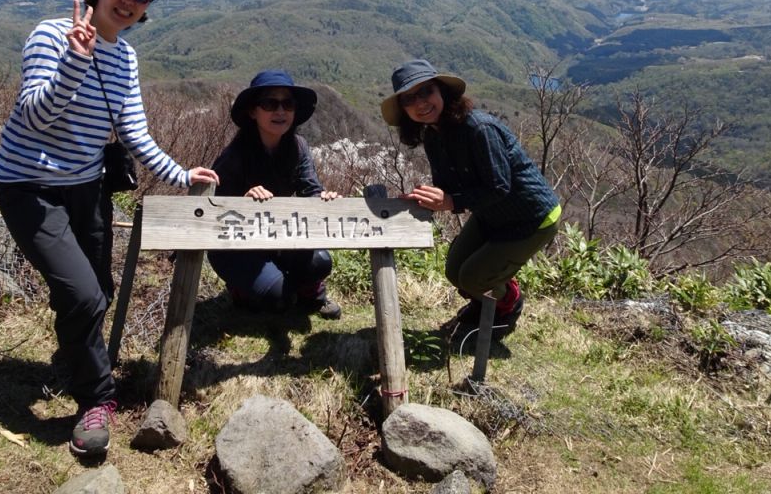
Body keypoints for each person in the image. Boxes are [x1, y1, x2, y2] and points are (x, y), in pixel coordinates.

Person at [0, 0, 219, 457]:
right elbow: (34, 117)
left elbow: (134, 132)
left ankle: (74, 355)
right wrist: (76, 60)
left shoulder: (126, 57)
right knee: (83, 295)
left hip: (86, 186)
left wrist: (181, 174)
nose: (130, 1)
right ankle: (96, 398)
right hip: (28, 186)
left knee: (98, 288)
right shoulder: (52, 35)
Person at [381, 59, 561, 338]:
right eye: (409, 98)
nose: (420, 103)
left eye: (426, 92)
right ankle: (484, 300)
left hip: (531, 216)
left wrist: (451, 202)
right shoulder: (433, 137)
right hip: (491, 213)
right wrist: (426, 198)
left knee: (474, 278)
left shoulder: (479, 129)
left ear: (442, 92)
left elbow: (499, 186)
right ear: (404, 109)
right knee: (455, 271)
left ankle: (507, 302)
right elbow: (447, 188)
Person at [207, 70, 342, 320]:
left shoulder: (298, 147)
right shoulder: (234, 157)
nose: (280, 111)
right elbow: (211, 212)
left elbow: (310, 188)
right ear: (253, 111)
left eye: (287, 104)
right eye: (270, 103)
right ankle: (242, 291)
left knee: (320, 261)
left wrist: (324, 200)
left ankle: (312, 295)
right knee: (279, 299)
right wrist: (243, 202)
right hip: (235, 247)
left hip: (273, 235)